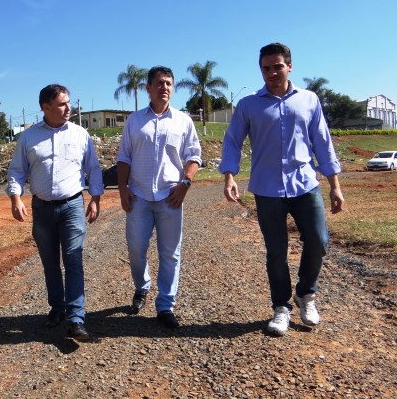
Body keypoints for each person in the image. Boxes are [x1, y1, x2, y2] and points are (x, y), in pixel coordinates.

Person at [219, 42, 345, 336]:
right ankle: (281, 308)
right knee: (276, 251)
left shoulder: (309, 100)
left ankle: (306, 294)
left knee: (318, 240)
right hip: (267, 188)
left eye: (277, 66)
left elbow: (323, 144)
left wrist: (335, 186)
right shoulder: (249, 105)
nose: (272, 72)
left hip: (305, 185)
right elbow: (232, 141)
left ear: (289, 66)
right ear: (260, 70)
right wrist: (229, 176)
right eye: (266, 68)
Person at [6, 84, 104, 341]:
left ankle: (76, 317)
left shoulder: (80, 134)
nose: (68, 108)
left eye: (68, 102)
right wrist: (16, 199)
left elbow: (93, 169)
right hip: (42, 209)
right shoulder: (28, 138)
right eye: (62, 104)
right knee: (50, 262)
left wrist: (95, 198)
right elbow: (17, 171)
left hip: (72, 205)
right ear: (45, 107)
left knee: (73, 259)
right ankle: (57, 308)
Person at [117, 66, 201, 329]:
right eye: (159, 83)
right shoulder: (134, 121)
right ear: (148, 89)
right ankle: (142, 286)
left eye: (168, 83)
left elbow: (194, 156)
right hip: (139, 196)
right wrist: (122, 189)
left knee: (170, 253)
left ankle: (165, 305)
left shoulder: (183, 121)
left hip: (170, 197)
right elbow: (124, 157)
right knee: (136, 248)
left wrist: (185, 184)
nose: (165, 87)